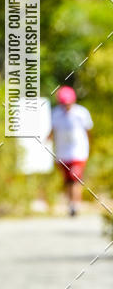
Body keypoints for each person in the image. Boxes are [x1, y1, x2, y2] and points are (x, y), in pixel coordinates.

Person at [50, 86, 93, 217]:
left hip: (79, 151)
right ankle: (71, 203)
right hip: (62, 152)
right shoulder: (56, 113)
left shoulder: (81, 113)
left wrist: (90, 146)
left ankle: (75, 205)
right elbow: (52, 131)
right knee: (68, 180)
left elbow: (88, 131)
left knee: (75, 177)